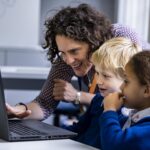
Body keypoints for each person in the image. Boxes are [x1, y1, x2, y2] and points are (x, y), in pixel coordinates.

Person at [6, 3, 150, 120]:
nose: (68, 60)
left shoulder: (121, 36)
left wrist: (78, 96)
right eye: (62, 52)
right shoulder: (65, 59)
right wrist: (18, 110)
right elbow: (44, 103)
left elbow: (132, 96)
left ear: (93, 43)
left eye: (75, 51)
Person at [64, 37, 142, 148]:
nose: (99, 81)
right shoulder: (98, 99)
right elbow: (77, 129)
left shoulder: (130, 115)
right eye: (97, 73)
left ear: (127, 78)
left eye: (106, 76)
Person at [100, 50, 150, 150]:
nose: (121, 86)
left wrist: (109, 110)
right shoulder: (132, 117)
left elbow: (114, 145)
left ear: (146, 91)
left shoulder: (147, 130)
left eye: (126, 81)